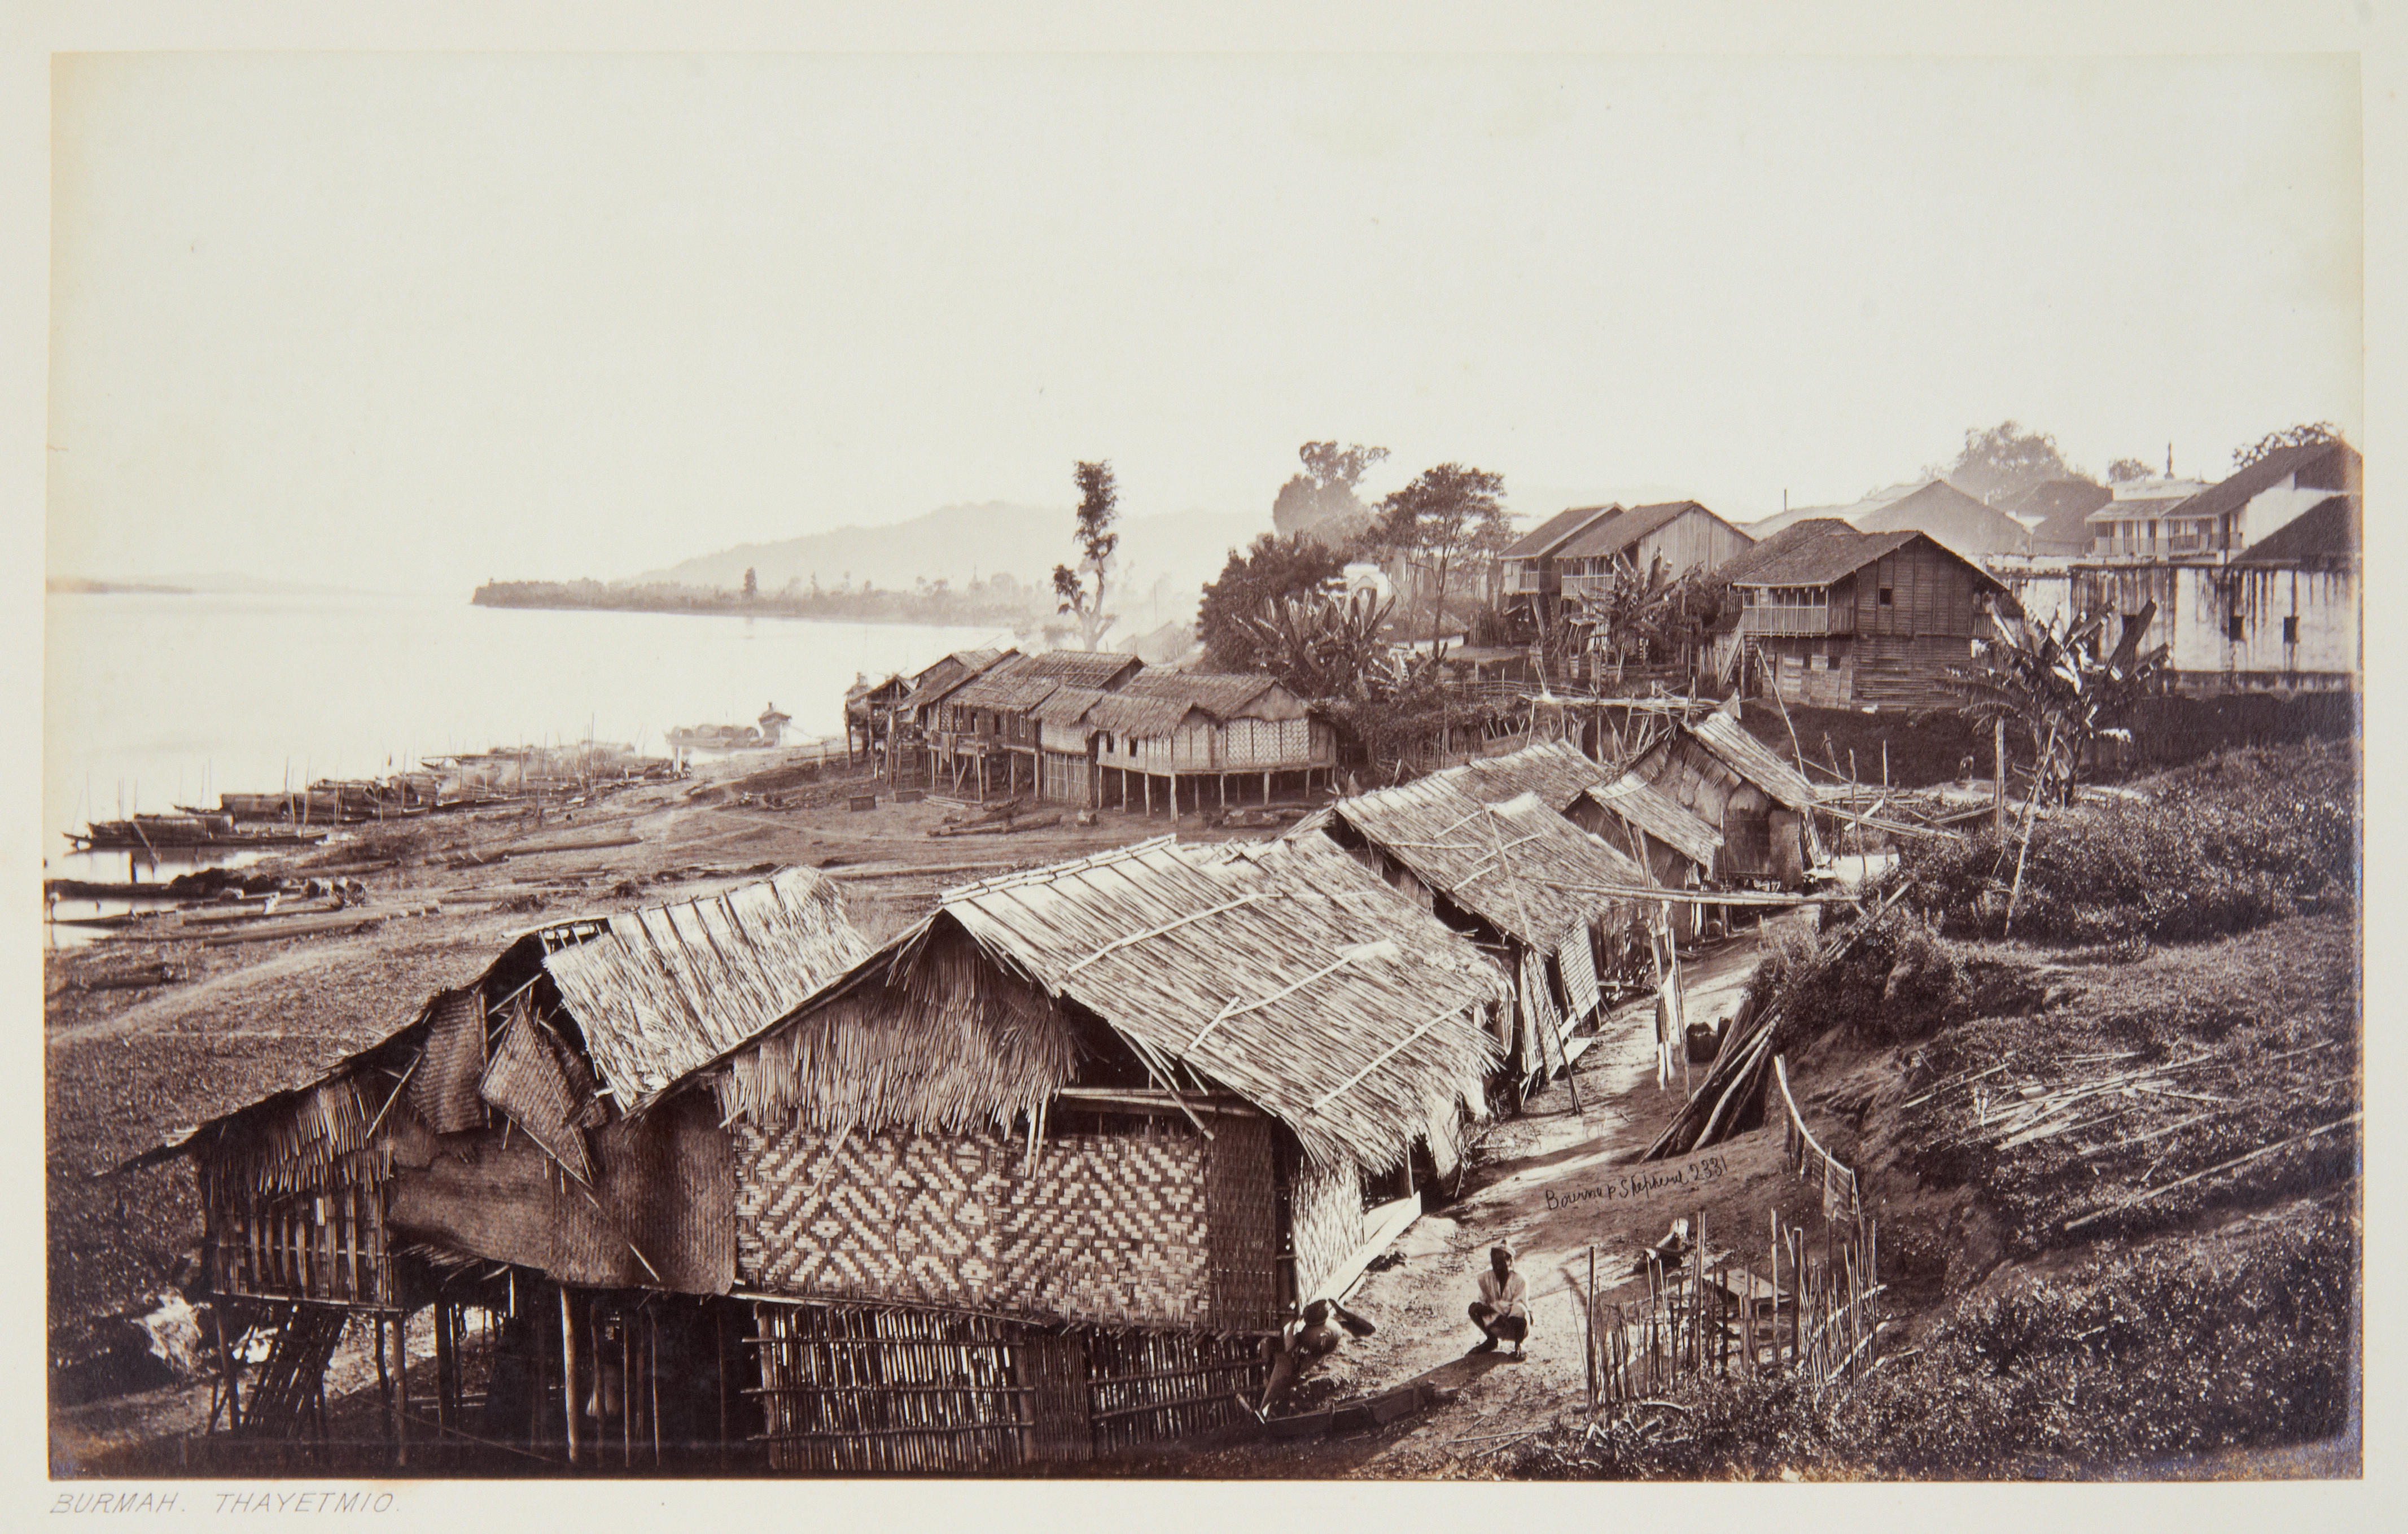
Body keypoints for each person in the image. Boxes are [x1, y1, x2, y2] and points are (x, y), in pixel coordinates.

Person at [1468, 1241, 1530, 1357]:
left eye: (1501, 1262)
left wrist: (1494, 1308)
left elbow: (1519, 1306)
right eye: (1495, 1263)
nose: (1498, 1267)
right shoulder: (1487, 1277)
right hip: (1497, 1322)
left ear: (1509, 1261)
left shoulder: (1519, 1280)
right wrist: (1482, 1307)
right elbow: (1483, 1300)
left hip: (1515, 1325)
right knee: (1474, 1308)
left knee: (1520, 1310)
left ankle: (1518, 1346)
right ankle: (1491, 1340)